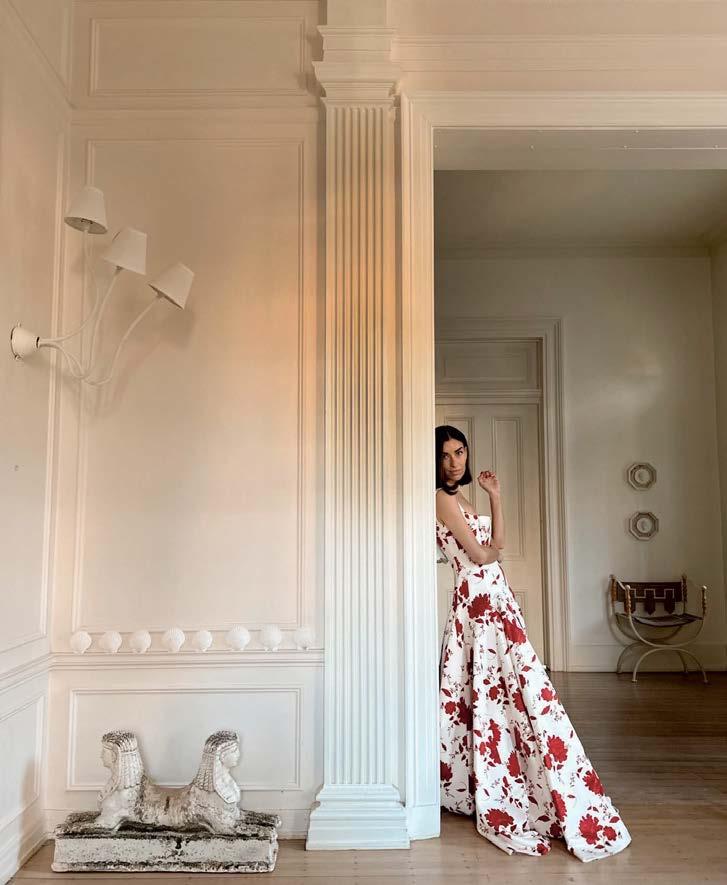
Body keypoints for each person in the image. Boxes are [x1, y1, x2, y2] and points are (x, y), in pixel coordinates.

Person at [435, 424, 631, 861]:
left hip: (494, 596)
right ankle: (486, 783)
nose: (455, 462)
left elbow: (499, 545)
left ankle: (522, 776)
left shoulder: (463, 498)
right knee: (492, 690)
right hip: (477, 601)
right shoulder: (441, 499)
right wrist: (490, 554)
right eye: (446, 454)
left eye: (460, 452)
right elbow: (481, 555)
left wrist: (495, 497)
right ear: (436, 459)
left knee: (516, 690)